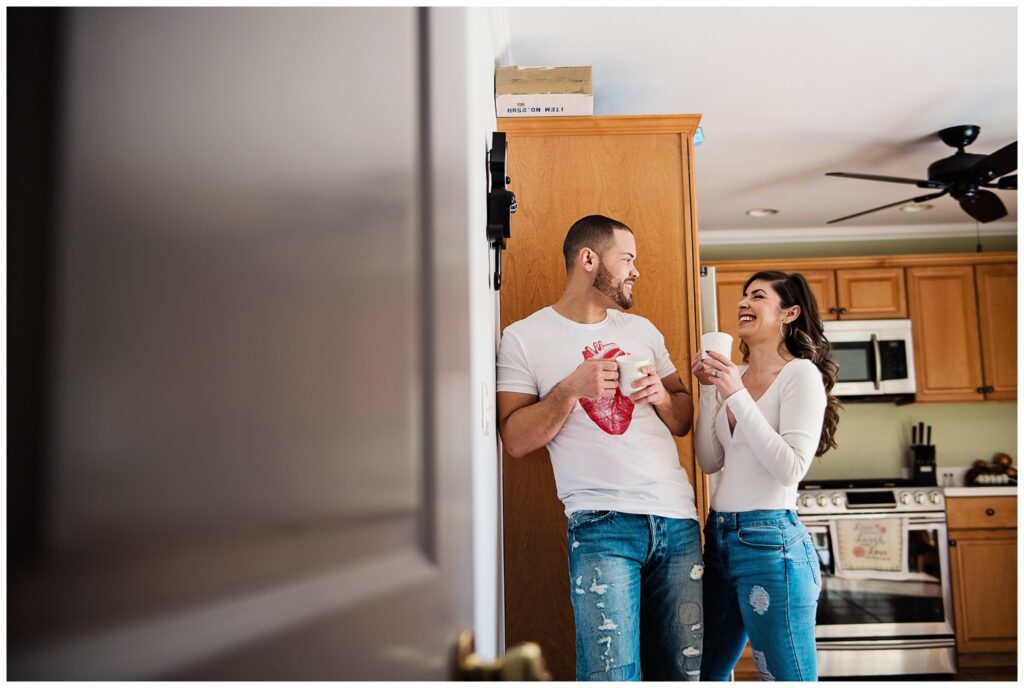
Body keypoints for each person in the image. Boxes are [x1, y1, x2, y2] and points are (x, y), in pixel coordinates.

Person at [497, 215, 703, 681]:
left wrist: (660, 397)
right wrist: (570, 389)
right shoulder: (524, 338)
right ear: (589, 260)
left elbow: (685, 418)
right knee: (612, 675)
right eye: (626, 259)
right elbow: (514, 439)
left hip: (677, 522)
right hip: (600, 526)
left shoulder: (643, 331)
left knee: (682, 673)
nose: (635, 271)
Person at [691, 271, 840, 682]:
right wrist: (709, 390)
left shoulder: (801, 375)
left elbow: (791, 466)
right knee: (703, 673)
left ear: (788, 313)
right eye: (742, 296)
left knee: (784, 677)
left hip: (771, 545)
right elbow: (709, 460)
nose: (743, 302)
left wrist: (736, 393)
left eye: (757, 296)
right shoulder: (734, 375)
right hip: (719, 539)